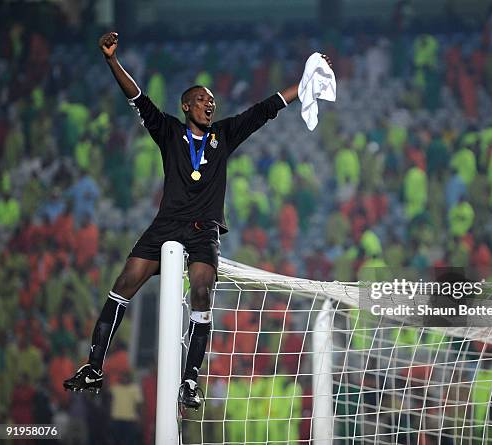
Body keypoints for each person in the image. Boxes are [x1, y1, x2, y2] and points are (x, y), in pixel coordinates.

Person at [63, 31, 333, 410]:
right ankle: (93, 368)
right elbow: (136, 97)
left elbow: (264, 109)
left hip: (203, 227)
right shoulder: (169, 131)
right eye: (203, 100)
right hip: (167, 224)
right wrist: (111, 61)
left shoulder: (224, 134)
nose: (210, 104)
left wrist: (301, 87)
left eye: (213, 101)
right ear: (186, 105)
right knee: (123, 284)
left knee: (203, 292)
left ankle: (190, 380)